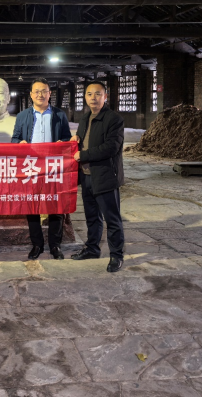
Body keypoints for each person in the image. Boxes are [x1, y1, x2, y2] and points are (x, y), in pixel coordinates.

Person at [12, 78, 72, 260]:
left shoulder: (59, 115)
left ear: (49, 93)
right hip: (32, 167)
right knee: (32, 206)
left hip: (53, 166)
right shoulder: (22, 116)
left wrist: (63, 143)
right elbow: (14, 139)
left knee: (56, 205)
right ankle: (37, 244)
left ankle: (55, 245)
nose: (40, 94)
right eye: (36, 91)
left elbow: (67, 138)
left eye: (44, 91)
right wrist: (19, 143)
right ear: (31, 94)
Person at [70, 81, 125, 273]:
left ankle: (116, 255)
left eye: (98, 94)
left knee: (112, 218)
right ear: (85, 97)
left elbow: (111, 147)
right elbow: (82, 140)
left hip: (105, 176)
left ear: (105, 96)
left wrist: (83, 155)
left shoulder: (114, 119)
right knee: (92, 217)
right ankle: (92, 249)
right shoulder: (85, 118)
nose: (93, 98)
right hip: (86, 176)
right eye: (89, 94)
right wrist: (75, 141)